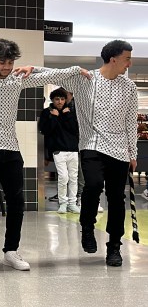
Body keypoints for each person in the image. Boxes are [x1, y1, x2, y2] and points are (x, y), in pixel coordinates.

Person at [0, 39, 88, 271]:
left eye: (11, 62)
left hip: (11, 148)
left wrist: (57, 69)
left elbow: (52, 76)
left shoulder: (17, 77)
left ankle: (11, 251)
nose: (6, 67)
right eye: (2, 61)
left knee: (17, 200)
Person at [61, 40, 137, 267]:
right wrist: (31, 70)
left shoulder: (129, 87)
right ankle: (87, 226)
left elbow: (130, 122)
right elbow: (52, 75)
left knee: (116, 198)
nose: (129, 63)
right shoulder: (87, 79)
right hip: (92, 144)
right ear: (113, 59)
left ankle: (114, 247)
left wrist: (132, 153)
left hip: (119, 148)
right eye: (127, 58)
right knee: (93, 185)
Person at [38, 87, 81, 214]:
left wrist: (66, 115)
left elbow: (75, 130)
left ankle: (72, 203)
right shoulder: (47, 112)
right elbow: (45, 130)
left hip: (73, 149)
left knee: (74, 177)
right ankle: (62, 203)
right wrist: (55, 118)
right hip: (58, 150)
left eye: (62, 99)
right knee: (63, 177)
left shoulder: (70, 112)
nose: (60, 102)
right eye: (57, 99)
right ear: (52, 100)